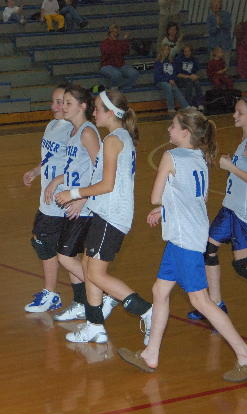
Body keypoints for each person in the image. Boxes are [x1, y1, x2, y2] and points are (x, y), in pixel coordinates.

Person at [118, 107, 247, 383]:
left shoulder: (171, 156)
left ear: (185, 132)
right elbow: (196, 199)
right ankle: (150, 354)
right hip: (189, 233)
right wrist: (166, 210)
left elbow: (155, 196)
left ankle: (246, 354)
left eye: (173, 125)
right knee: (159, 291)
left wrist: (162, 206)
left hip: (185, 239)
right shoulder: (200, 157)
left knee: (200, 300)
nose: (168, 129)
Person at [55, 90, 152, 345]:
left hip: (112, 214)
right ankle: (94, 325)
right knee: (88, 268)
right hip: (104, 212)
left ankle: (147, 311)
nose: (94, 112)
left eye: (97, 108)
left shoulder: (113, 140)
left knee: (96, 275)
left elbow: (107, 184)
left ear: (110, 113)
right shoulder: (118, 137)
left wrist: (73, 193)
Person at [187, 96, 247, 320]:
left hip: (245, 213)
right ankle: (215, 305)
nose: (234, 115)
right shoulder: (245, 141)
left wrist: (230, 167)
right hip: (230, 208)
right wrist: (232, 164)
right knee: (208, 249)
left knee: (244, 267)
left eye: (240, 113)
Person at [44, 85, 106, 322]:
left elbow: (101, 170)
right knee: (72, 256)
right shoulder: (73, 131)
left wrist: (83, 197)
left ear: (83, 106)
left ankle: (105, 292)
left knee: (65, 256)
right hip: (72, 201)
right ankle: (81, 302)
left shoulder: (87, 132)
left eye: (68, 103)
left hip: (85, 206)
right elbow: (76, 168)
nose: (63, 107)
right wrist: (58, 181)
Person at [22, 84, 77, 314]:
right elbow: (50, 159)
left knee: (45, 244)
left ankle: (52, 293)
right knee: (63, 251)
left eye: (60, 102)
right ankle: (84, 298)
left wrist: (60, 183)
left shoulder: (73, 131)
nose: (54, 106)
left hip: (61, 200)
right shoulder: (52, 125)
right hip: (47, 198)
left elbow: (80, 167)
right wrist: (36, 171)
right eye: (53, 101)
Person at [99, 24, 139, 91]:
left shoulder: (120, 42)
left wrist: (123, 43)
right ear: (109, 33)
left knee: (134, 73)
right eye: (113, 32)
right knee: (117, 74)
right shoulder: (104, 43)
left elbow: (126, 52)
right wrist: (123, 42)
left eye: (117, 32)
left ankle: (124, 87)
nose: (115, 34)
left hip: (120, 65)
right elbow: (112, 51)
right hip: (107, 65)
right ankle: (113, 88)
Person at [154, 44, 190, 113]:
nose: (167, 51)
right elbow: (158, 76)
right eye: (165, 50)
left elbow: (174, 73)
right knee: (168, 86)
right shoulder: (158, 62)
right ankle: (170, 108)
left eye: (168, 50)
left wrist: (172, 79)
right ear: (161, 51)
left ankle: (186, 106)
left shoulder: (171, 61)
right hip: (160, 81)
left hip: (170, 81)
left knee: (174, 87)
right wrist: (168, 79)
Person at [174, 44, 203, 111]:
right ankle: (189, 104)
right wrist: (188, 76)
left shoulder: (194, 59)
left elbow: (199, 72)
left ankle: (200, 103)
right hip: (182, 78)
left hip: (191, 77)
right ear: (183, 52)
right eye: (185, 51)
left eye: (188, 51)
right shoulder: (179, 59)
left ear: (191, 51)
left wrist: (196, 76)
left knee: (197, 83)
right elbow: (177, 74)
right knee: (189, 83)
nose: (187, 53)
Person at [207, 0, 231, 65]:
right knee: (213, 67)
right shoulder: (210, 17)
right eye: (214, 5)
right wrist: (217, 26)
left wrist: (221, 23)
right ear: (211, 7)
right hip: (214, 47)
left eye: (217, 5)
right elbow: (210, 31)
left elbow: (228, 26)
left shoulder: (226, 15)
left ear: (220, 5)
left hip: (225, 46)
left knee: (225, 66)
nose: (216, 6)